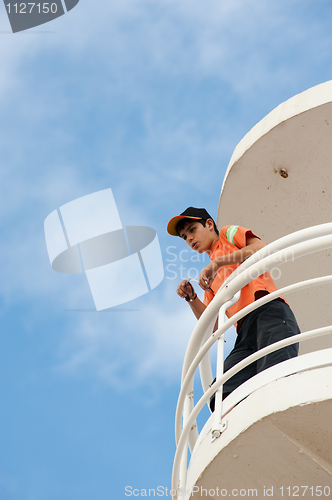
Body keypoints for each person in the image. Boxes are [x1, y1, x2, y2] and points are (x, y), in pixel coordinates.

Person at [167, 207, 300, 405]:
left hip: (268, 311)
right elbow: (213, 325)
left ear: (209, 224)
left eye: (192, 229)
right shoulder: (209, 276)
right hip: (244, 333)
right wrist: (191, 297)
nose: (189, 239)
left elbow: (262, 248)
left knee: (274, 373)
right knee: (220, 394)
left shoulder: (227, 234)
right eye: (185, 237)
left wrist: (219, 262)